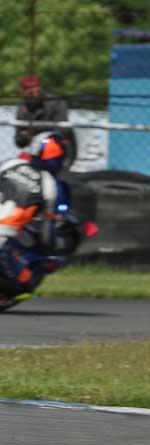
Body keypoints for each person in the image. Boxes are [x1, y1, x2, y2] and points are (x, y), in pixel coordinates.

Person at [0, 133, 65, 299]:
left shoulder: (11, 163)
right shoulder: (49, 184)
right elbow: (47, 230)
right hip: (3, 238)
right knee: (25, 283)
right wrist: (49, 250)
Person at [14, 76, 77, 170]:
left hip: (59, 147)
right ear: (23, 93)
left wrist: (38, 135)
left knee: (50, 146)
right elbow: (19, 142)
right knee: (21, 161)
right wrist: (23, 137)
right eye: (31, 93)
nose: (35, 95)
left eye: (38, 91)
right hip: (36, 149)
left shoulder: (56, 102)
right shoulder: (22, 109)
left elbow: (62, 130)